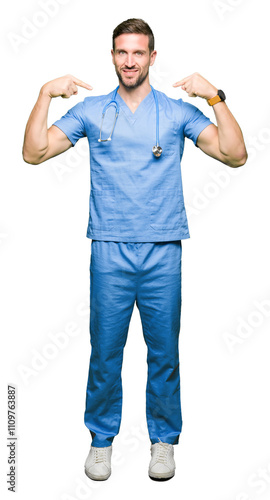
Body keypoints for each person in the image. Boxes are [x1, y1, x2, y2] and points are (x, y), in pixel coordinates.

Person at [22, 18, 247, 482]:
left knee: (163, 352)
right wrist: (44, 94)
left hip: (163, 249)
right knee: (105, 351)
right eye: (122, 53)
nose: (129, 61)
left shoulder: (176, 111)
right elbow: (34, 152)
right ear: (112, 56)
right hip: (109, 250)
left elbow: (235, 154)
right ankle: (101, 442)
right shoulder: (91, 111)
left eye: (138, 53)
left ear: (152, 58)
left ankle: (163, 441)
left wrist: (214, 97)